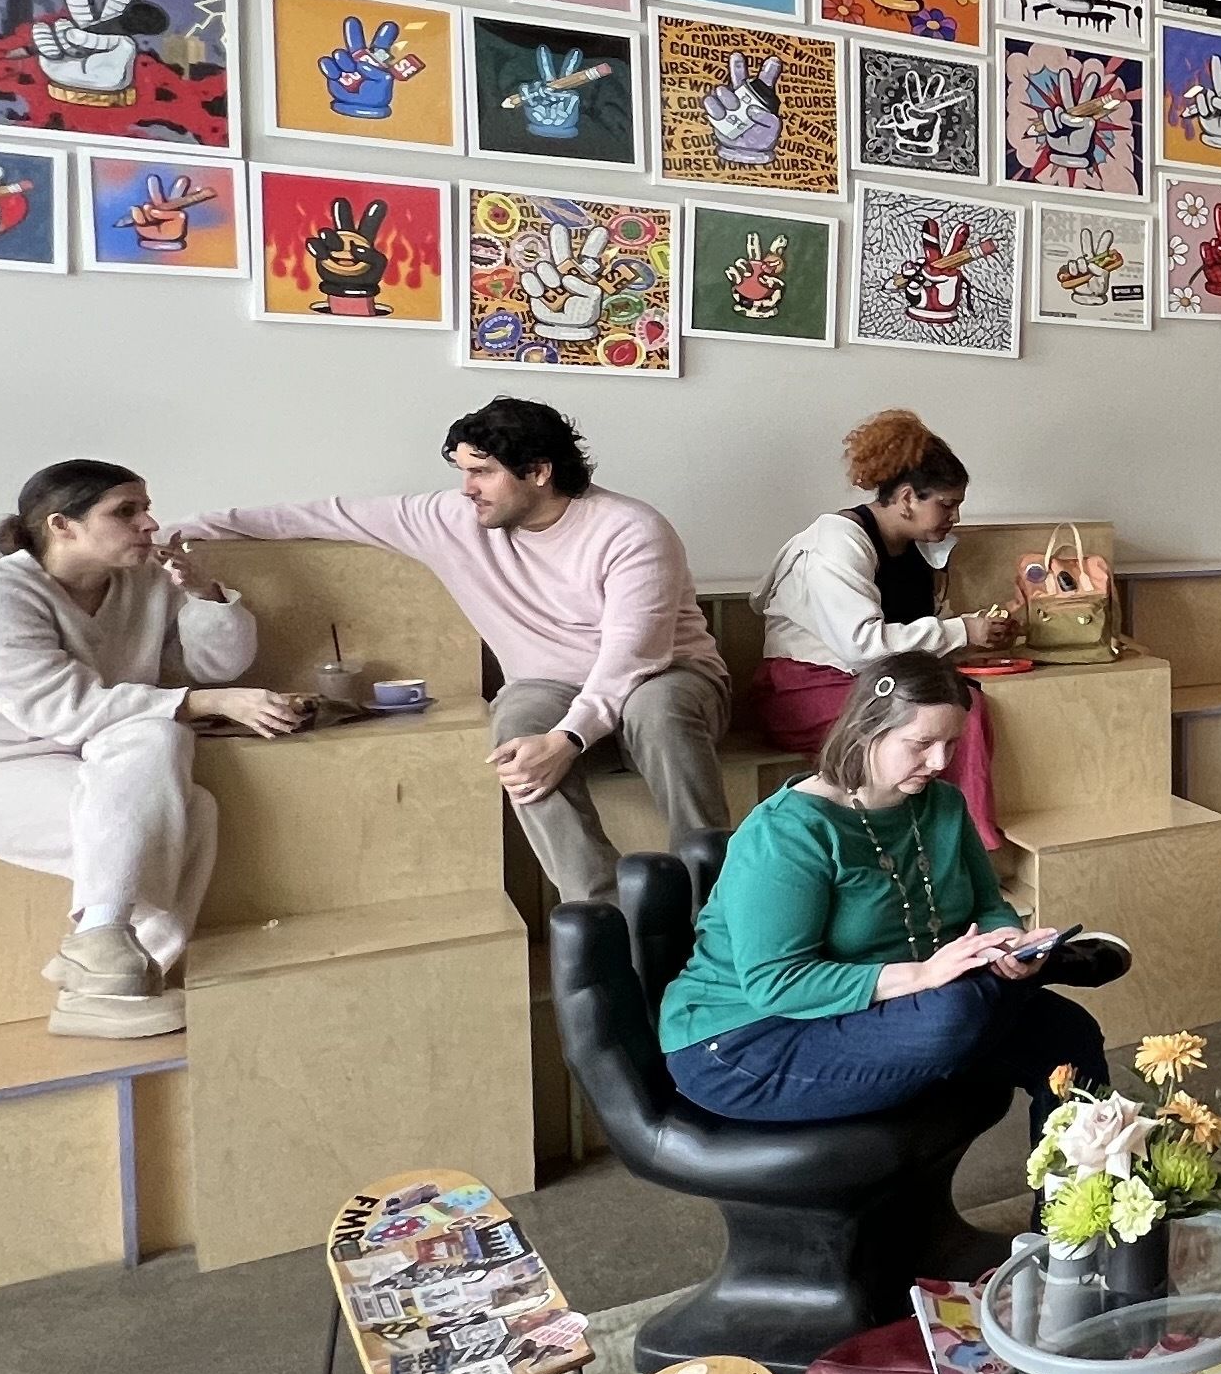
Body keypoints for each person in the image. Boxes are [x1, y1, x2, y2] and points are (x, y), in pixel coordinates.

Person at [172, 395, 729, 907]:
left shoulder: (631, 529)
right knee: (516, 721)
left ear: (538, 472)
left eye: (482, 472)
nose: (467, 489)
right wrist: (189, 527)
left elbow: (632, 659)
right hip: (552, 689)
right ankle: (600, 915)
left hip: (667, 681)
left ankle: (716, 894)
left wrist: (568, 739)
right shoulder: (452, 519)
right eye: (462, 471)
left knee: (655, 707)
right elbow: (327, 514)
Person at [0, 461, 304, 1038]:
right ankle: (101, 956)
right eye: (125, 512)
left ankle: (116, 974)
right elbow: (63, 710)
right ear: (61, 525)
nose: (149, 524)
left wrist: (206, 597)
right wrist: (211, 703)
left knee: (193, 802)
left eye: (146, 508)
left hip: (99, 760)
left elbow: (216, 667)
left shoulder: (142, 582)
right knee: (163, 757)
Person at [660, 654, 1124, 1130]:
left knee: (1069, 1034)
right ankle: (1050, 969)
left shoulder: (944, 804)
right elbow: (776, 983)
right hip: (747, 1041)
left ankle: (1078, 1185)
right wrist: (923, 974)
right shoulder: (786, 833)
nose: (940, 762)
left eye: (952, 743)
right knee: (955, 1015)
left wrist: (1008, 939)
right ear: (867, 728)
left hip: (885, 1006)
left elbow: (986, 906)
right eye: (922, 743)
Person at [753, 411, 1021, 850]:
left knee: (962, 706)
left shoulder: (919, 550)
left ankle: (964, 844)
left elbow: (921, 637)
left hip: (877, 681)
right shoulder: (837, 541)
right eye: (947, 504)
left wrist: (983, 631)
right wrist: (962, 632)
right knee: (918, 720)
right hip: (804, 686)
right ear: (908, 498)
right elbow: (862, 647)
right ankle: (941, 847)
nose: (955, 516)